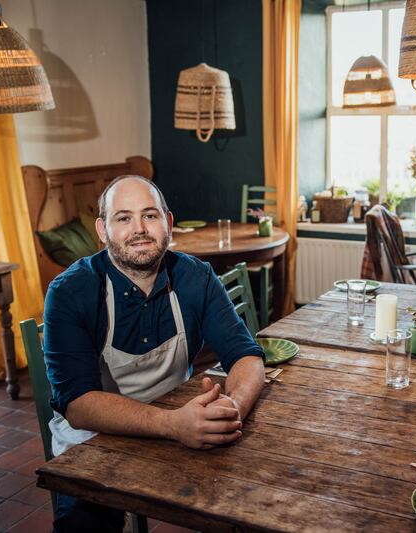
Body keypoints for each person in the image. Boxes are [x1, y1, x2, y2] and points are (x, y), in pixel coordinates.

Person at [43, 175, 265, 532]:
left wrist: (234, 408)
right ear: (102, 230)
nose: (139, 229)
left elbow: (246, 356)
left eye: (150, 215)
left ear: (168, 223)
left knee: (251, 500)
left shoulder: (195, 277)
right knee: (82, 524)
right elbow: (78, 405)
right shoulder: (71, 292)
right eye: (124, 218)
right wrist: (172, 425)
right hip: (94, 439)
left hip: (179, 424)